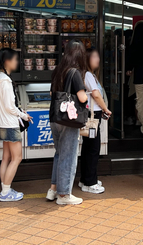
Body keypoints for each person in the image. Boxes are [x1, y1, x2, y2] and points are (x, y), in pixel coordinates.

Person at [46, 40, 88, 205]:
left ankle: (53, 189)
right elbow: (82, 97)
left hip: (55, 117)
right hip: (69, 120)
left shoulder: (58, 70)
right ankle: (64, 195)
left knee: (59, 153)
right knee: (68, 156)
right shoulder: (75, 73)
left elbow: (51, 93)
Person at [0, 48, 31, 202]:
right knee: (17, 158)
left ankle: (5, 187)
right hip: (10, 123)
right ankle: (6, 192)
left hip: (2, 123)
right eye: (15, 59)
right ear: (7, 62)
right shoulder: (6, 82)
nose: (17, 62)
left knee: (6, 157)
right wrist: (24, 115)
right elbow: (10, 107)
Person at [79, 48, 111, 194]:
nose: (97, 59)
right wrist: (105, 109)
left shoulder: (89, 74)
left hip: (91, 115)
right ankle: (89, 183)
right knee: (92, 148)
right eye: (94, 56)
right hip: (93, 116)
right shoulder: (88, 75)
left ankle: (85, 179)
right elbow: (96, 95)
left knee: (88, 147)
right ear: (87, 58)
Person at [126, 21, 143, 133]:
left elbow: (130, 61)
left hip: (138, 76)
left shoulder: (134, 45)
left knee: (140, 101)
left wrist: (129, 69)